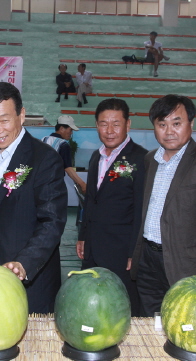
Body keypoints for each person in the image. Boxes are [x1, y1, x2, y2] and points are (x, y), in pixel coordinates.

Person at [0, 82, 67, 314]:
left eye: (4, 119)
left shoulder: (44, 158)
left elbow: (52, 221)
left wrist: (23, 264)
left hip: (30, 280)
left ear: (22, 115)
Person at [130, 94, 196, 316]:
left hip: (187, 263)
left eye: (176, 123)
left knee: (185, 322)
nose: (169, 131)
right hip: (148, 259)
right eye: (162, 124)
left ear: (191, 123)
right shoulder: (150, 159)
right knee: (150, 319)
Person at [76, 98, 148, 316]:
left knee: (121, 305)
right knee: (89, 301)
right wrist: (83, 235)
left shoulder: (141, 158)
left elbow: (141, 210)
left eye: (116, 124)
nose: (109, 130)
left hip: (121, 250)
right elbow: (91, 199)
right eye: (103, 124)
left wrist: (134, 252)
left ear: (128, 124)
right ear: (96, 125)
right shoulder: (96, 156)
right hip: (93, 247)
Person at [42, 115, 86, 193]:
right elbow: (68, 168)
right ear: (62, 128)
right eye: (70, 130)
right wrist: (82, 184)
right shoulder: (63, 145)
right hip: (53, 184)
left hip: (39, 183)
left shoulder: (43, 140)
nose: (71, 133)